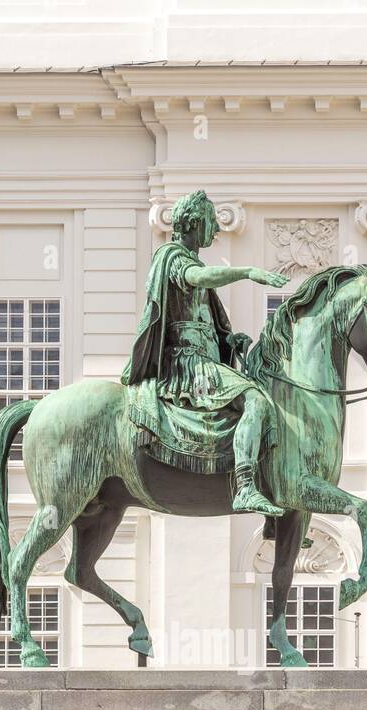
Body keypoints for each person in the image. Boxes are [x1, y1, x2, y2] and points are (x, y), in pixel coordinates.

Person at [122, 188, 287, 517]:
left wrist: (228, 340)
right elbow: (197, 278)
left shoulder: (190, 259)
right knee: (255, 400)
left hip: (205, 359)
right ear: (195, 223)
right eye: (212, 221)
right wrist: (247, 272)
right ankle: (244, 487)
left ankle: (274, 503)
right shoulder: (171, 256)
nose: (216, 229)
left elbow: (204, 321)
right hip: (187, 363)